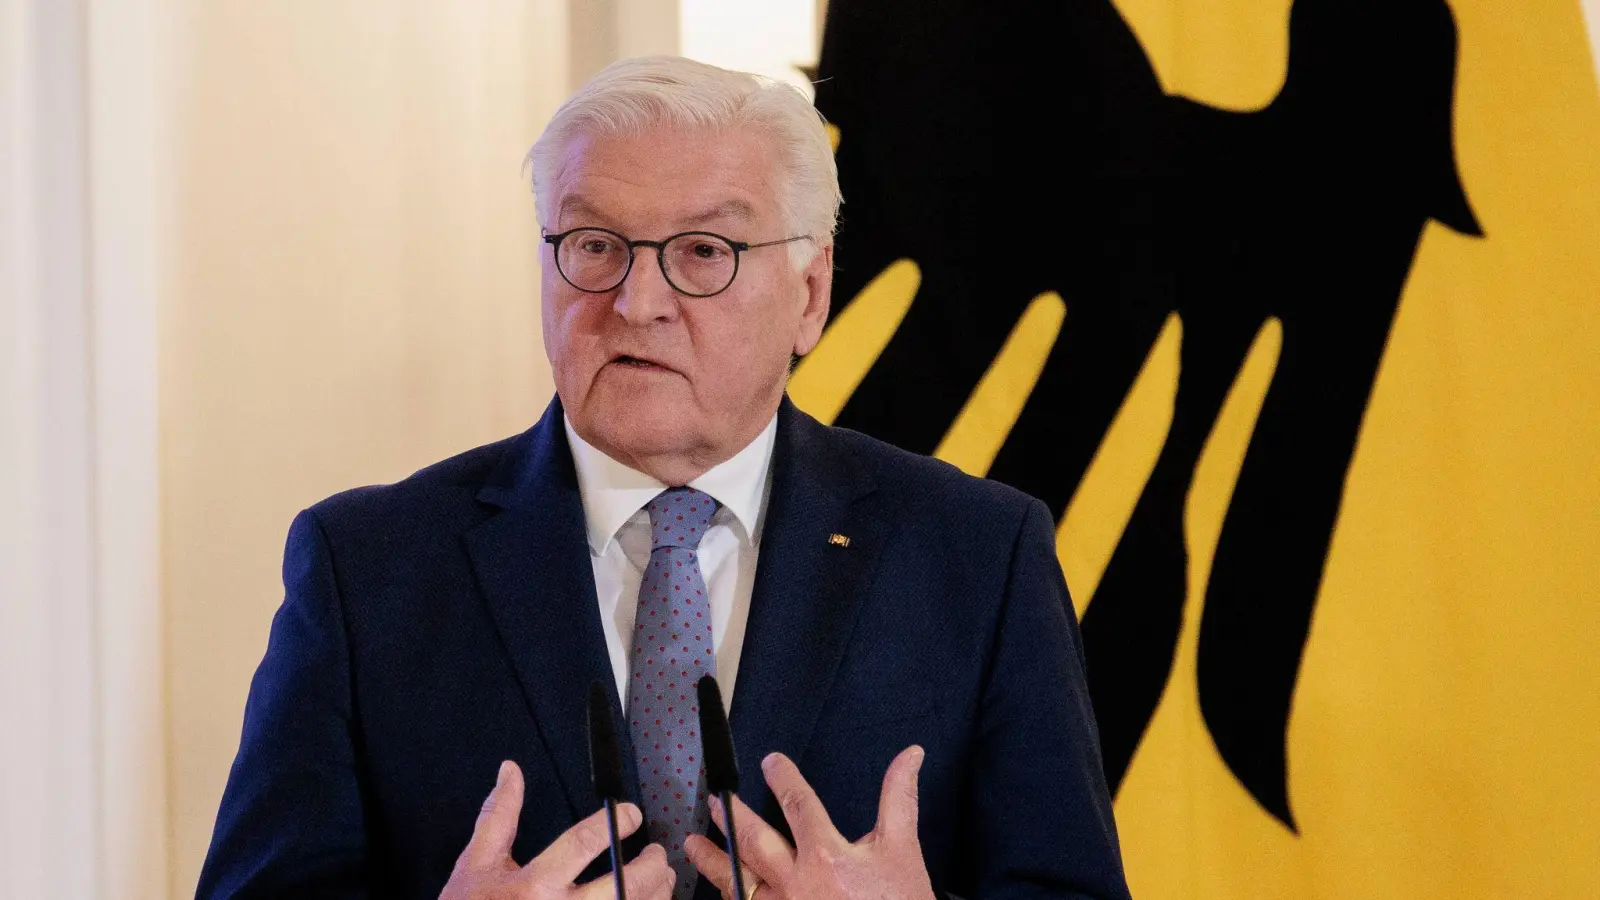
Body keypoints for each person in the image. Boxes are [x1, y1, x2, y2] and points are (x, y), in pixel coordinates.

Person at [195, 56, 1130, 900]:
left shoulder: (975, 556)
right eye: (595, 246)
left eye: (702, 254)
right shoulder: (369, 569)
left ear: (810, 294)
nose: (637, 305)